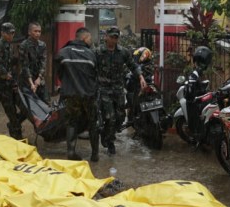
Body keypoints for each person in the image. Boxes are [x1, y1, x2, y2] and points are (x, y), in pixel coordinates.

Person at [95, 26, 146, 155]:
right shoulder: (98, 52)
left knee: (120, 117)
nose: (114, 39)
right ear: (106, 37)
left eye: (116, 37)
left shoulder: (123, 52)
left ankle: (106, 132)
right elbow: (91, 68)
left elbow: (133, 65)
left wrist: (140, 77)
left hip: (118, 89)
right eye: (111, 37)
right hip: (104, 89)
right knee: (110, 117)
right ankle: (110, 141)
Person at [54, 27, 99, 162]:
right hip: (88, 95)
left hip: (70, 94)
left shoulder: (63, 52)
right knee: (93, 123)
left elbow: (59, 72)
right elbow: (95, 74)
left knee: (71, 122)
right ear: (84, 38)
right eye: (89, 38)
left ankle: (71, 151)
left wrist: (67, 83)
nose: (90, 41)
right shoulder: (91, 54)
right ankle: (95, 154)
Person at [185, 45, 213, 144]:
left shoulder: (197, 74)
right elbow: (191, 92)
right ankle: (199, 135)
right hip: (197, 102)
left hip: (199, 100)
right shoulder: (195, 75)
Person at [18, 22, 50, 104]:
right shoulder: (24, 45)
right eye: (35, 31)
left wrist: (39, 78)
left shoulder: (42, 45)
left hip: (39, 78)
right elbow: (25, 65)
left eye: (39, 31)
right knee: (29, 105)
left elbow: (43, 62)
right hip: (27, 79)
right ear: (29, 32)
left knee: (46, 102)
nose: (38, 33)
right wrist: (31, 83)